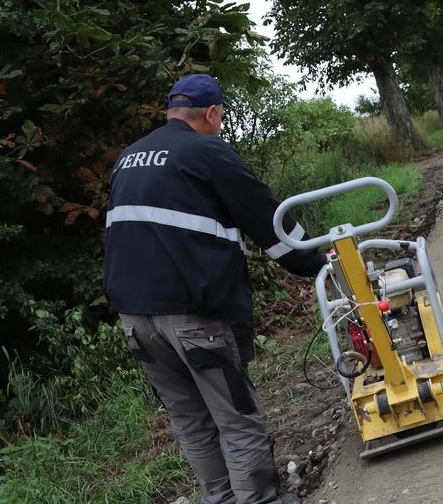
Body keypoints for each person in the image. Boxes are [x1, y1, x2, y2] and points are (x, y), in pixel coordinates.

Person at [104, 73, 326, 504]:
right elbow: (269, 221)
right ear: (210, 113)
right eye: (220, 118)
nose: (220, 127)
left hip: (134, 319)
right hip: (193, 315)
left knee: (190, 421)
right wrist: (317, 262)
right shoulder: (206, 150)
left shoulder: (128, 157)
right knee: (237, 417)